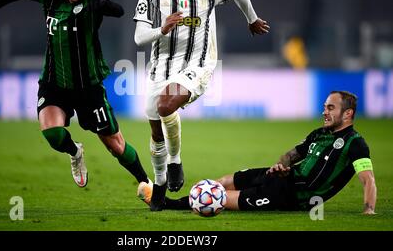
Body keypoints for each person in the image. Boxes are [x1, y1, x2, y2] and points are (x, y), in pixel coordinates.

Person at [0, 0, 151, 191]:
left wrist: (104, 5)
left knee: (115, 145)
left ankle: (146, 182)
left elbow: (118, 10)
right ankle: (75, 151)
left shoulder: (93, 1)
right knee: (52, 134)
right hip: (54, 83)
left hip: (88, 88)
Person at [133, 0, 270, 211]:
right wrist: (162, 29)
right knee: (156, 132)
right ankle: (159, 185)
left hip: (198, 64)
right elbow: (139, 39)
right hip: (160, 67)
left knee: (165, 105)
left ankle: (175, 162)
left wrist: (252, 19)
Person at [140, 91, 377, 215]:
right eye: (325, 106)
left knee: (220, 198)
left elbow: (368, 180)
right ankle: (168, 201)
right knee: (222, 182)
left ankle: (168, 205)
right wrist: (280, 165)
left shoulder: (355, 143)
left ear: (348, 114)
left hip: (293, 196)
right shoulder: (319, 134)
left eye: (331, 108)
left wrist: (368, 210)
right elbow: (291, 155)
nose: (324, 111)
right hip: (281, 178)